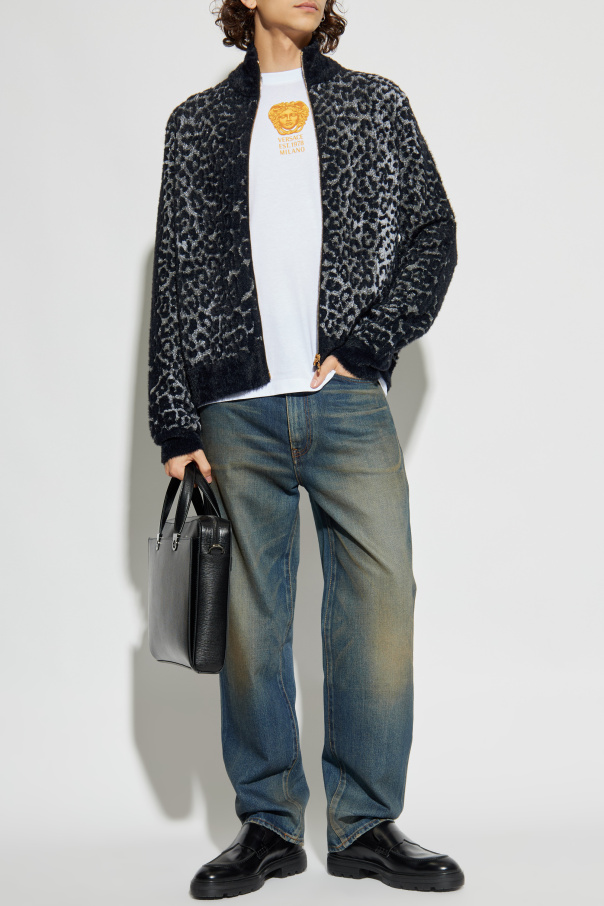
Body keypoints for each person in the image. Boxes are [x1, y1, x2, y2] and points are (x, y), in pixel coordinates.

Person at [148, 0, 464, 897]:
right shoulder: (195, 126)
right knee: (251, 624)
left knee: (380, 602)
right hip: (234, 409)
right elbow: (173, 275)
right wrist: (174, 423)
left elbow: (433, 234)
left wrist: (368, 344)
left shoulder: (375, 105)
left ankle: (365, 825)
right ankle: (268, 824)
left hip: (347, 404)